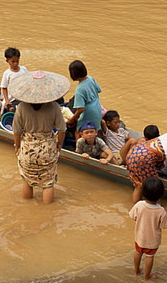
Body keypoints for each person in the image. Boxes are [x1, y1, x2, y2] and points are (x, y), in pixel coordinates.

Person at [10, 70, 69, 204]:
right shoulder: (54, 107)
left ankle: (27, 207)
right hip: (47, 148)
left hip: (28, 149)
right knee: (47, 183)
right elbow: (62, 129)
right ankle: (48, 212)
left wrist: (17, 146)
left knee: (27, 179)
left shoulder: (21, 108)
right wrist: (59, 144)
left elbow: (17, 131)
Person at [129, 177, 167, 281]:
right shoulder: (161, 210)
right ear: (161, 195)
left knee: (137, 253)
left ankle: (136, 271)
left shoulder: (139, 205)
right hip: (153, 241)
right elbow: (164, 225)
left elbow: (132, 216)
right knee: (150, 257)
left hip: (139, 238)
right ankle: (146, 277)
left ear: (143, 193)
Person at [66, 60, 102, 134]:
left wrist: (72, 119)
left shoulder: (79, 89)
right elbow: (98, 90)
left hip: (89, 112)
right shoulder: (90, 78)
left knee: (78, 131)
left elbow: (80, 109)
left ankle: (78, 144)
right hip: (97, 107)